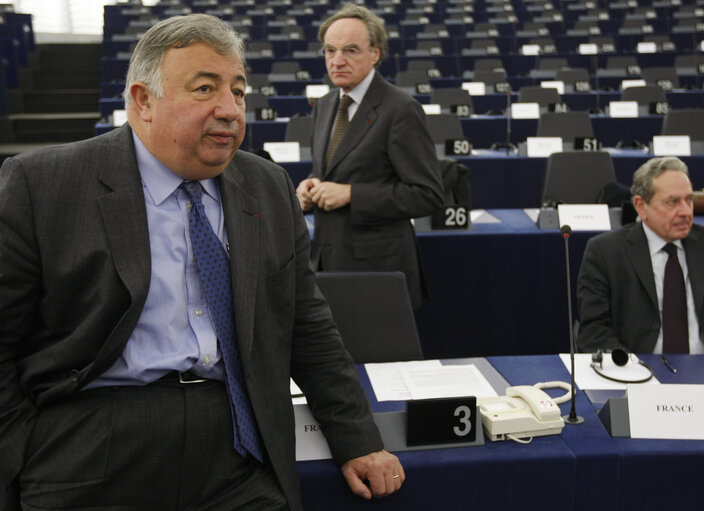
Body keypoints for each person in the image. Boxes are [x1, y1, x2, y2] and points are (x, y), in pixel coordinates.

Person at [0, 14, 404, 510]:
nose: (231, 110)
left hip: (235, 441)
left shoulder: (267, 186)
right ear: (143, 100)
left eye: (238, 91)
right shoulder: (43, 185)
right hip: (93, 440)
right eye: (205, 88)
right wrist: (19, 453)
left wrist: (358, 437)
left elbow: (307, 327)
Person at [295, 4, 443, 309]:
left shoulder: (400, 109)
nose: (337, 61)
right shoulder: (324, 105)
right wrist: (311, 185)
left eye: (350, 50)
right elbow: (334, 169)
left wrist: (352, 195)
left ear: (375, 53)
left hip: (378, 271)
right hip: (326, 261)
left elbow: (427, 195)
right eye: (330, 50)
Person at [577, 156, 704, 354]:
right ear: (641, 206)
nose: (685, 212)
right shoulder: (605, 252)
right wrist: (630, 369)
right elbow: (594, 330)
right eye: (672, 202)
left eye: (689, 200)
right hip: (638, 370)